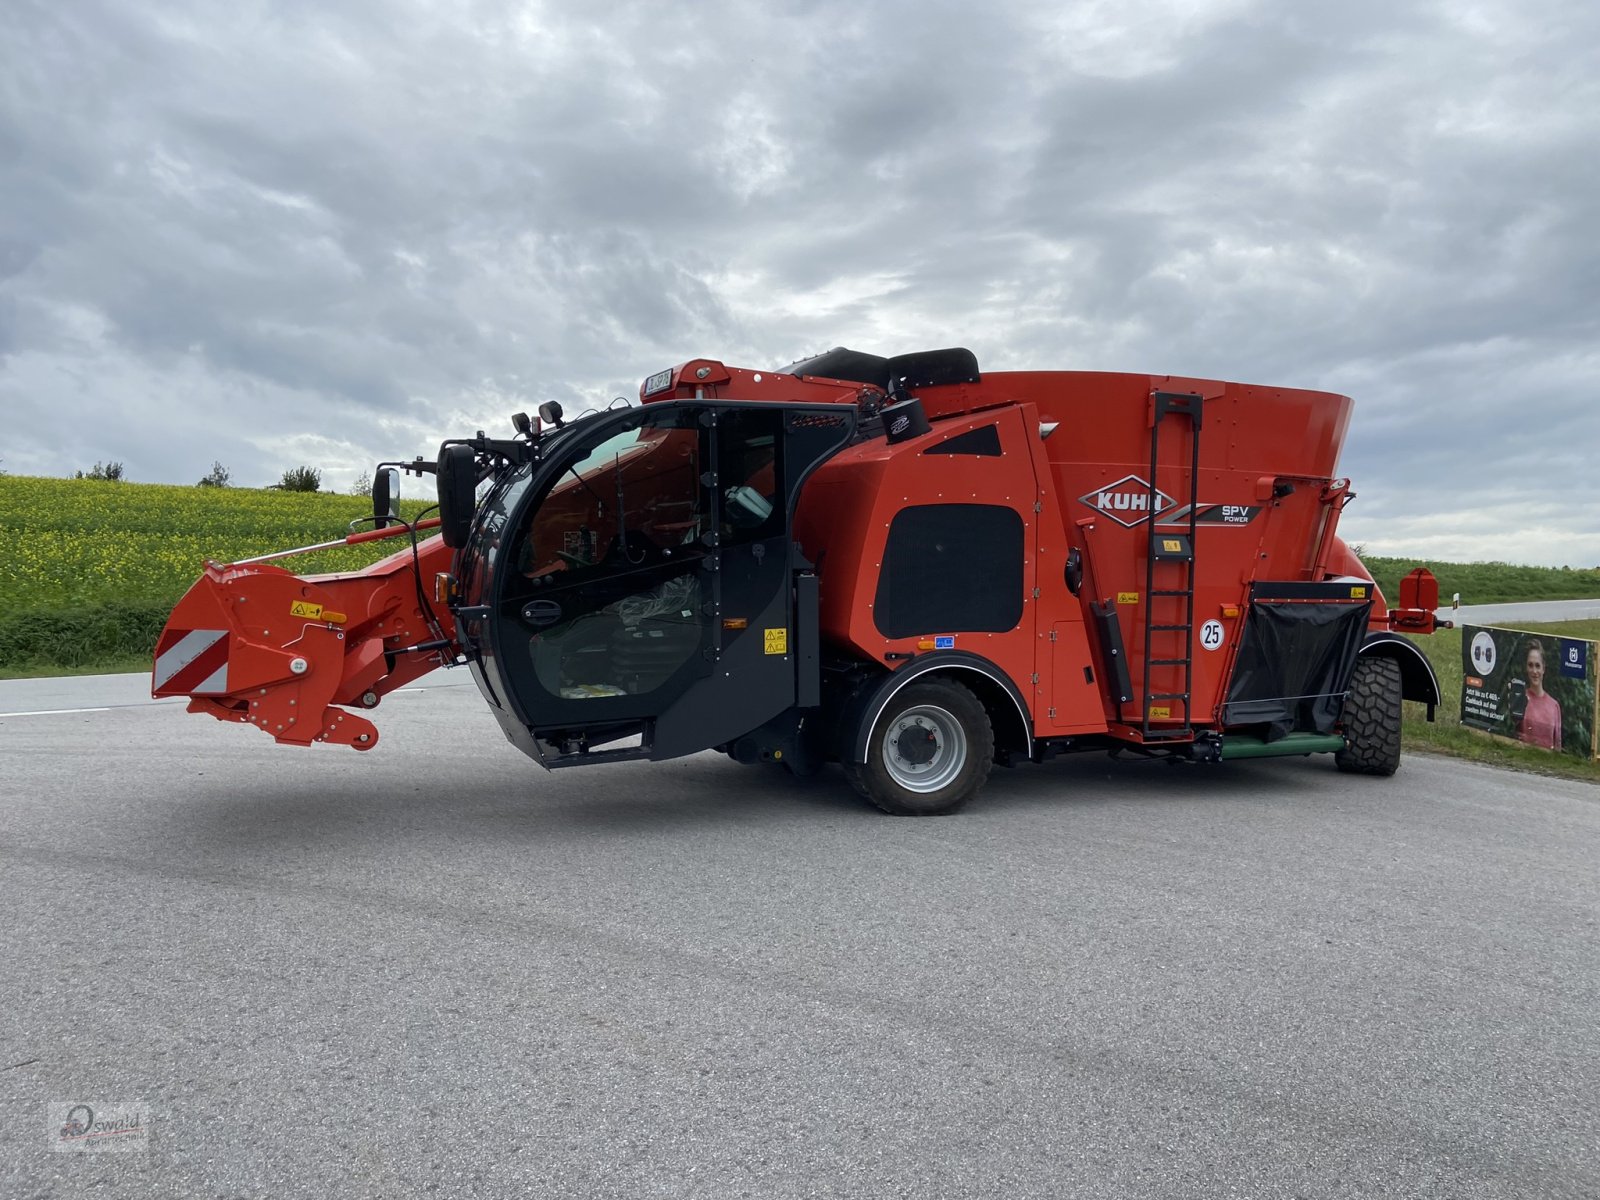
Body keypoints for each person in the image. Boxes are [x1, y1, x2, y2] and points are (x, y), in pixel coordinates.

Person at [1516, 638, 1562, 750]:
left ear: (1543, 669)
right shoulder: (1519, 700)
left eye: (1537, 666)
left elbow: (1557, 746)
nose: (1534, 671)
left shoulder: (1554, 706)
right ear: (1526, 668)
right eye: (1530, 665)